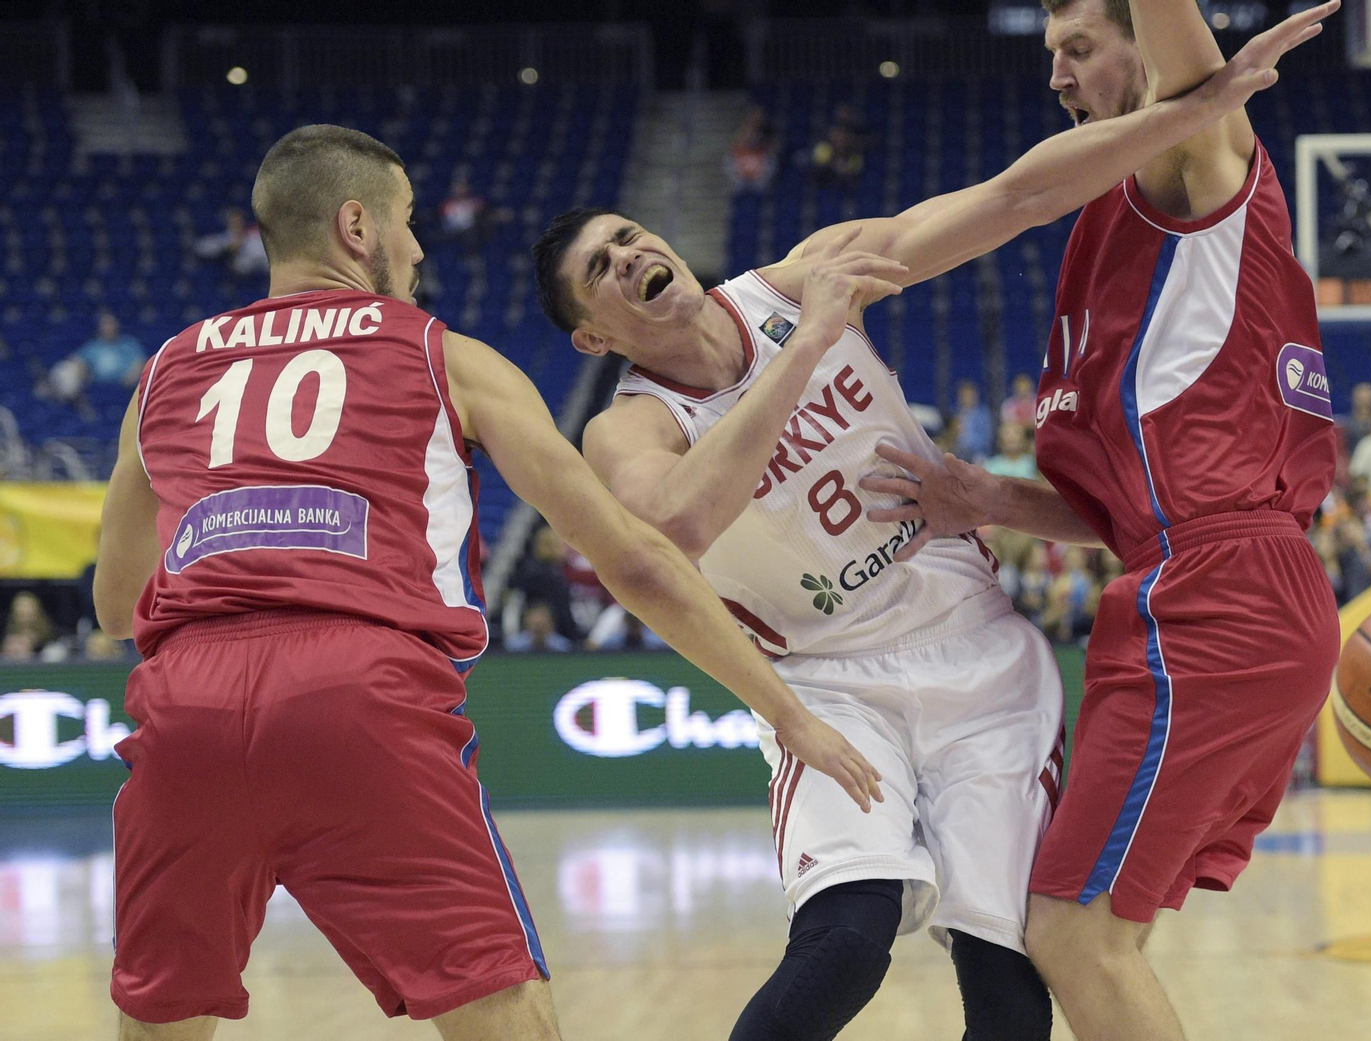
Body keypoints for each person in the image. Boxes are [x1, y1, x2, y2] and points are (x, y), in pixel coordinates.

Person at [532, 9, 1330, 1040]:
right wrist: (812, 341)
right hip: (829, 678)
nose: (629, 251)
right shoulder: (630, 426)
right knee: (845, 947)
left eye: (628, 234)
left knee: (1012, 976)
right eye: (601, 266)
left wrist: (1204, 105)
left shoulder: (805, 268)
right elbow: (676, 526)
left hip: (976, 655)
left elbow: (1018, 196)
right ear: (596, 333)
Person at [94, 124, 880, 1041]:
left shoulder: (165, 372)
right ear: (357, 226)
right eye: (408, 220)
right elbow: (631, 558)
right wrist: (787, 711)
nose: (420, 246)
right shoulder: (445, 355)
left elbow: (116, 604)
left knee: (161, 1018)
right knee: (506, 1015)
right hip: (362, 693)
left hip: (186, 707)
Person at [858, 1, 1343, 1037]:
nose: (1057, 76)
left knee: (1074, 934)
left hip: (1217, 602)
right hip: (1203, 585)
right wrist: (987, 500)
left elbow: (1188, 75)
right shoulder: (1111, 219)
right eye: (1051, 55)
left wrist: (1185, 55)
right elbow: (1121, 511)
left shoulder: (1194, 164)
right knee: (1101, 935)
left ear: (1147, 45)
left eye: (1079, 48)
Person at [952, 379, 995, 462]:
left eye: (969, 395)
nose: (966, 398)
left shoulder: (984, 415)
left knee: (980, 460)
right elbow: (950, 436)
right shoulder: (955, 413)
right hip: (957, 453)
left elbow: (987, 438)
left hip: (978, 454)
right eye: (964, 395)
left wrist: (970, 449)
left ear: (975, 396)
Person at [503, 603, 572, 654]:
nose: (538, 629)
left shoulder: (563, 647)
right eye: (534, 625)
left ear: (551, 625)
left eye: (542, 625)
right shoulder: (512, 647)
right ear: (526, 625)